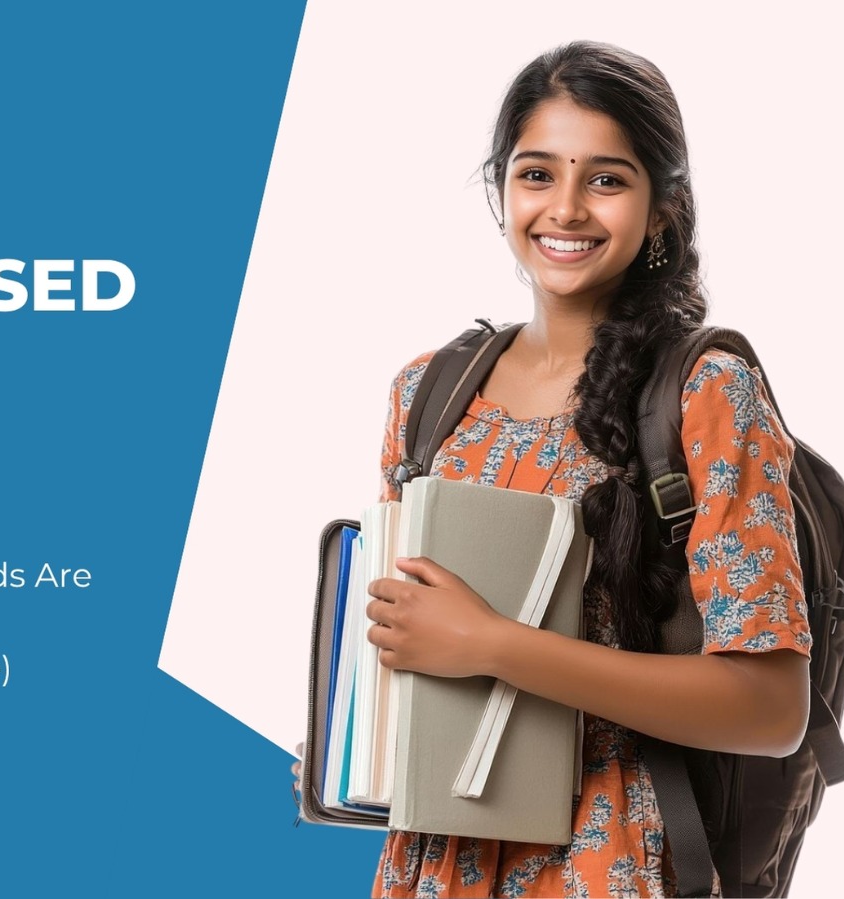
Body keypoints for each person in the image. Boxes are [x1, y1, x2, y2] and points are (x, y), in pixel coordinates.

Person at [296, 41, 812, 898]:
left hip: (610, 860)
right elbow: (402, 632)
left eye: (606, 179)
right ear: (500, 188)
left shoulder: (705, 391)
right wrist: (358, 732)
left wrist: (496, 646)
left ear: (662, 209)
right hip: (436, 859)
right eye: (537, 174)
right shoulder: (428, 392)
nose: (565, 209)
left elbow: (770, 709)